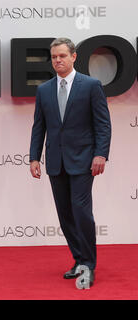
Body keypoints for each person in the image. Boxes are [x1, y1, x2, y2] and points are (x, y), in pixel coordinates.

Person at [29, 38, 111, 287]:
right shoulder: (44, 90)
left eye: (62, 56)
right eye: (54, 57)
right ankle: (79, 259)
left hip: (84, 160)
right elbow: (39, 126)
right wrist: (34, 156)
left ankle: (88, 264)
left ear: (74, 57)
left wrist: (101, 154)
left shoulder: (91, 85)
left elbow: (103, 124)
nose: (58, 60)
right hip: (55, 161)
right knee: (65, 215)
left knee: (81, 212)